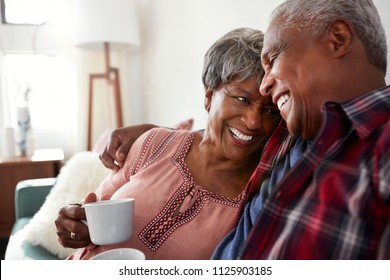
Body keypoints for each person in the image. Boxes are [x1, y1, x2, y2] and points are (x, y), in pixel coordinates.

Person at [101, 0, 390, 259]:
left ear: (338, 39)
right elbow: (214, 137)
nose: (265, 85)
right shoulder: (295, 135)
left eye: (273, 58)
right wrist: (151, 136)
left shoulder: (376, 147)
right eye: (242, 97)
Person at [55, 27, 282, 260]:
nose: (254, 121)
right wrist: (73, 224)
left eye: (270, 111)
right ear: (209, 95)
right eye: (242, 99)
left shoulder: (258, 198)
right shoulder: (154, 142)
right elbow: (92, 212)